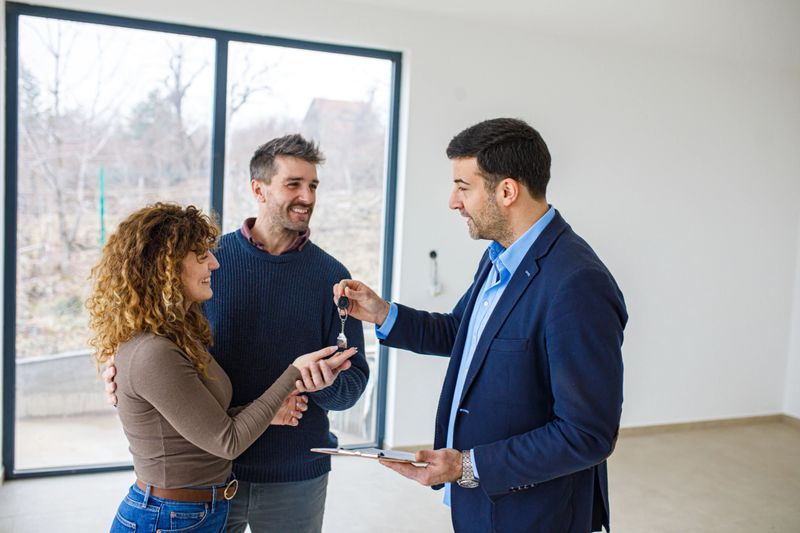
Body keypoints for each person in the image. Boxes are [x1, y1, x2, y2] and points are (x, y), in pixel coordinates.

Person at [334, 118, 627, 533]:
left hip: (536, 515)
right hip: (482, 505)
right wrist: (382, 313)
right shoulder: (498, 256)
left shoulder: (577, 283)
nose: (453, 201)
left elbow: (587, 434)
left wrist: (468, 465)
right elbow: (463, 333)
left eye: (463, 186)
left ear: (507, 191)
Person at [104, 134, 370, 533]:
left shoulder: (331, 276)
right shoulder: (205, 266)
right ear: (258, 190)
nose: (307, 197)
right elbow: (154, 339)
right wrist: (115, 369)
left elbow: (353, 383)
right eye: (293, 184)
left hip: (296, 471)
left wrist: (321, 384)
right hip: (211, 474)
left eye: (313, 185)